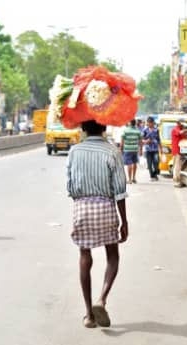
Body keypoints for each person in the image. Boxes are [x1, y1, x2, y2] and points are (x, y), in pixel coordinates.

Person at [67, 120, 128, 329]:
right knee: (113, 256)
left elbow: (70, 186)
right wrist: (124, 221)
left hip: (82, 209)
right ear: (104, 128)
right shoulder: (112, 151)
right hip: (106, 209)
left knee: (85, 257)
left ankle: (89, 316)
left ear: (82, 128)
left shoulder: (74, 151)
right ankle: (101, 299)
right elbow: (119, 190)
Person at [121, 119, 142, 184]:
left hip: (127, 149)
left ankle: (129, 179)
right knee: (135, 163)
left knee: (129, 164)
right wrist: (141, 150)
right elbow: (140, 141)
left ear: (130, 123)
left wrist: (121, 149)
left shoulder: (125, 130)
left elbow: (122, 140)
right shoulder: (138, 131)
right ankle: (134, 178)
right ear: (135, 123)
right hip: (135, 149)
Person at [171, 120, 187, 187]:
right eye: (182, 124)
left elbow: (185, 136)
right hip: (177, 151)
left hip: (183, 151)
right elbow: (181, 132)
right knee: (177, 167)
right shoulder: (175, 129)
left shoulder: (181, 129)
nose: (183, 125)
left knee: (182, 167)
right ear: (178, 123)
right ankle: (177, 181)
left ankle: (182, 181)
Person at [142, 117, 162, 181]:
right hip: (148, 150)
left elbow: (159, 140)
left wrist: (160, 148)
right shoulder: (145, 130)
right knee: (149, 164)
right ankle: (152, 176)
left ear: (153, 123)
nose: (149, 124)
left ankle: (155, 173)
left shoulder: (156, 130)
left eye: (151, 122)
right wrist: (146, 141)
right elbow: (142, 140)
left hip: (155, 149)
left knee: (156, 163)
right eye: (148, 122)